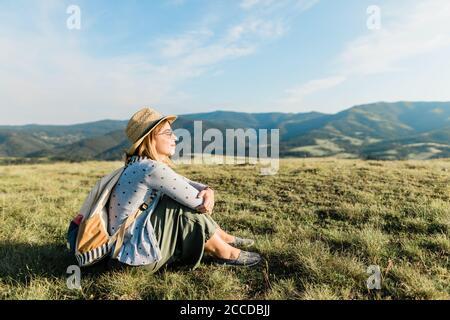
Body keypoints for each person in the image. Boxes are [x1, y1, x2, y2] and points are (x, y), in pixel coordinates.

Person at [106, 107, 261, 272]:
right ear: (150, 138)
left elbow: (183, 182)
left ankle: (223, 238)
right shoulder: (150, 168)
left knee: (175, 198)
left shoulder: (139, 163)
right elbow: (196, 201)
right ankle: (224, 251)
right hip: (133, 259)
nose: (175, 137)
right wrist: (206, 197)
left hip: (123, 252)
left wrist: (208, 189)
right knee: (178, 204)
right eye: (167, 133)